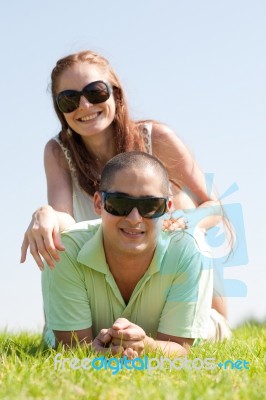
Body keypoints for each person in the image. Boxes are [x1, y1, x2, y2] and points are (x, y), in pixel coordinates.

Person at [21, 49, 227, 317]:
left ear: (115, 93)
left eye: (95, 92)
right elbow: (66, 226)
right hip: (108, 283)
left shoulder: (158, 138)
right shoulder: (58, 152)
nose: (84, 106)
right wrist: (44, 214)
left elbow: (215, 206)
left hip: (170, 271)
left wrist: (183, 222)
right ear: (59, 109)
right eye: (69, 99)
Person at [42, 151, 231, 356]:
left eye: (149, 206)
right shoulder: (66, 250)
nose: (134, 218)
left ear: (167, 208)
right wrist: (93, 351)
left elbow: (181, 347)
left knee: (209, 331)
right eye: (120, 203)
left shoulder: (189, 249)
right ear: (98, 203)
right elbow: (72, 347)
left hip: (199, 327)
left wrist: (147, 345)